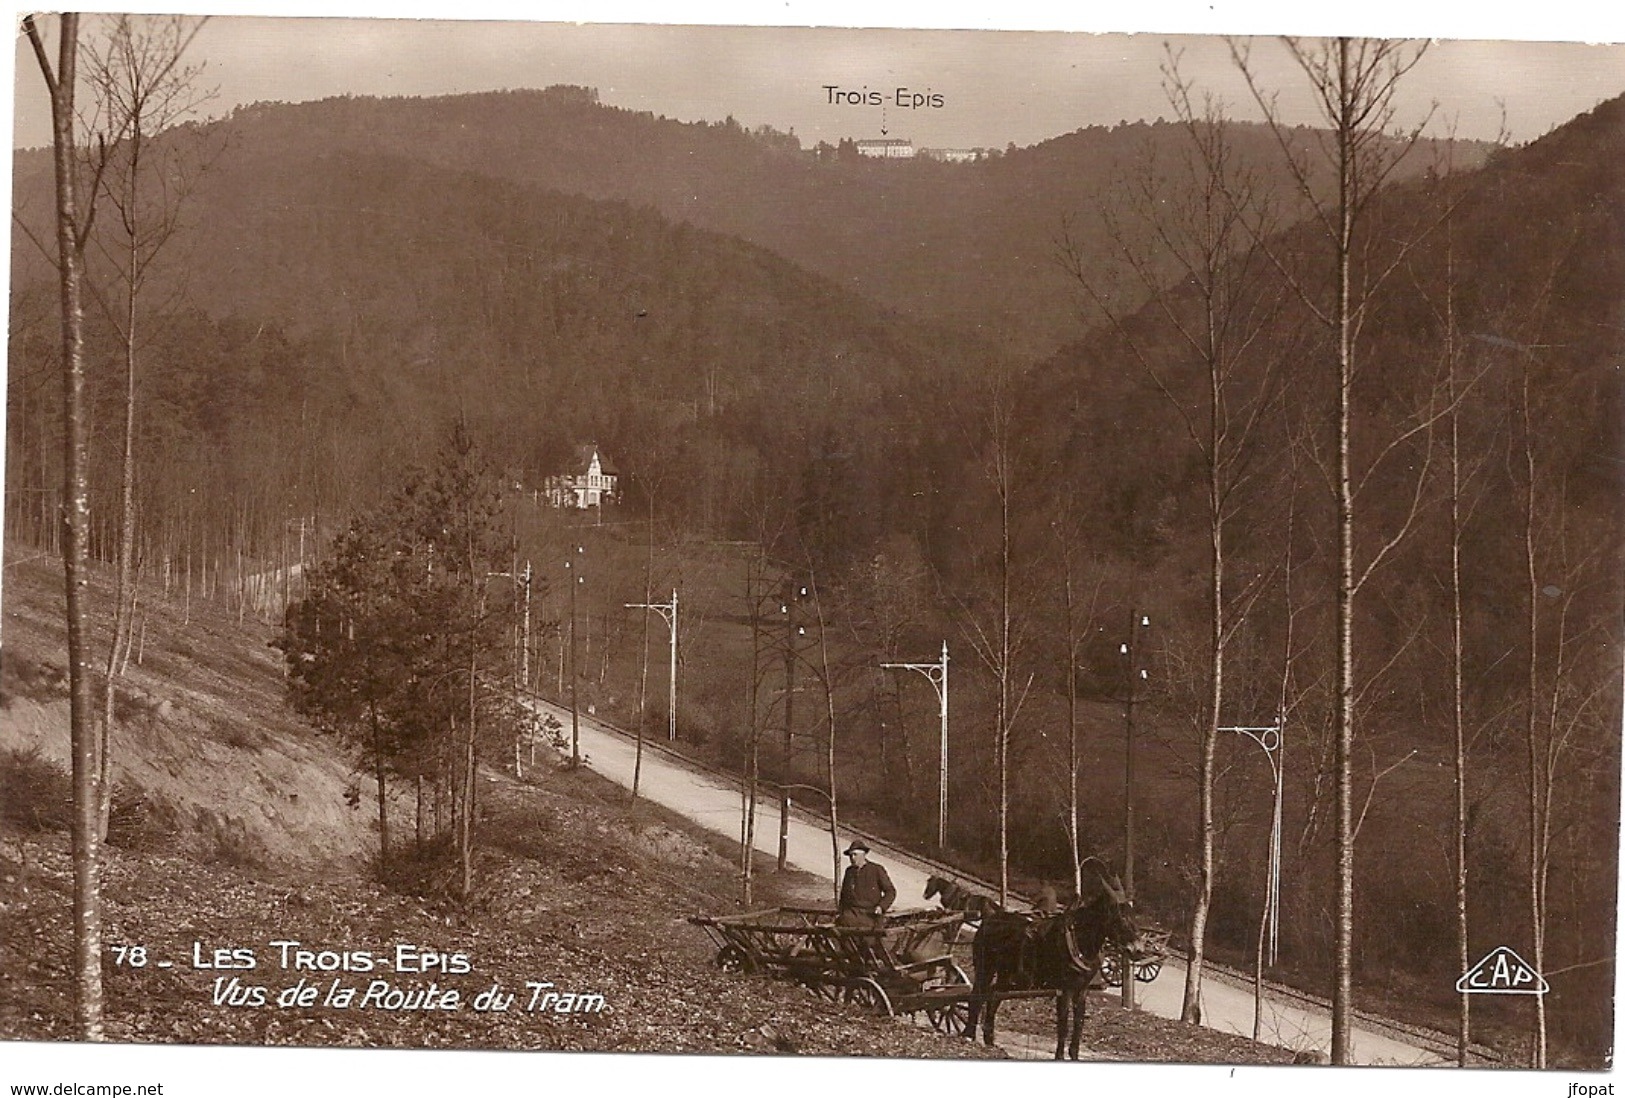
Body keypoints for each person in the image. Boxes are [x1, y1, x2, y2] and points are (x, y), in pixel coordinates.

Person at [836, 840, 896, 929]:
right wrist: (841, 911)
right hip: (852, 914)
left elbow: (890, 891)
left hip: (870, 915)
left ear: (863, 855)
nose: (852, 858)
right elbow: (844, 895)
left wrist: (881, 907)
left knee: (868, 938)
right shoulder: (849, 871)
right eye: (851, 855)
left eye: (855, 855)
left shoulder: (876, 870)